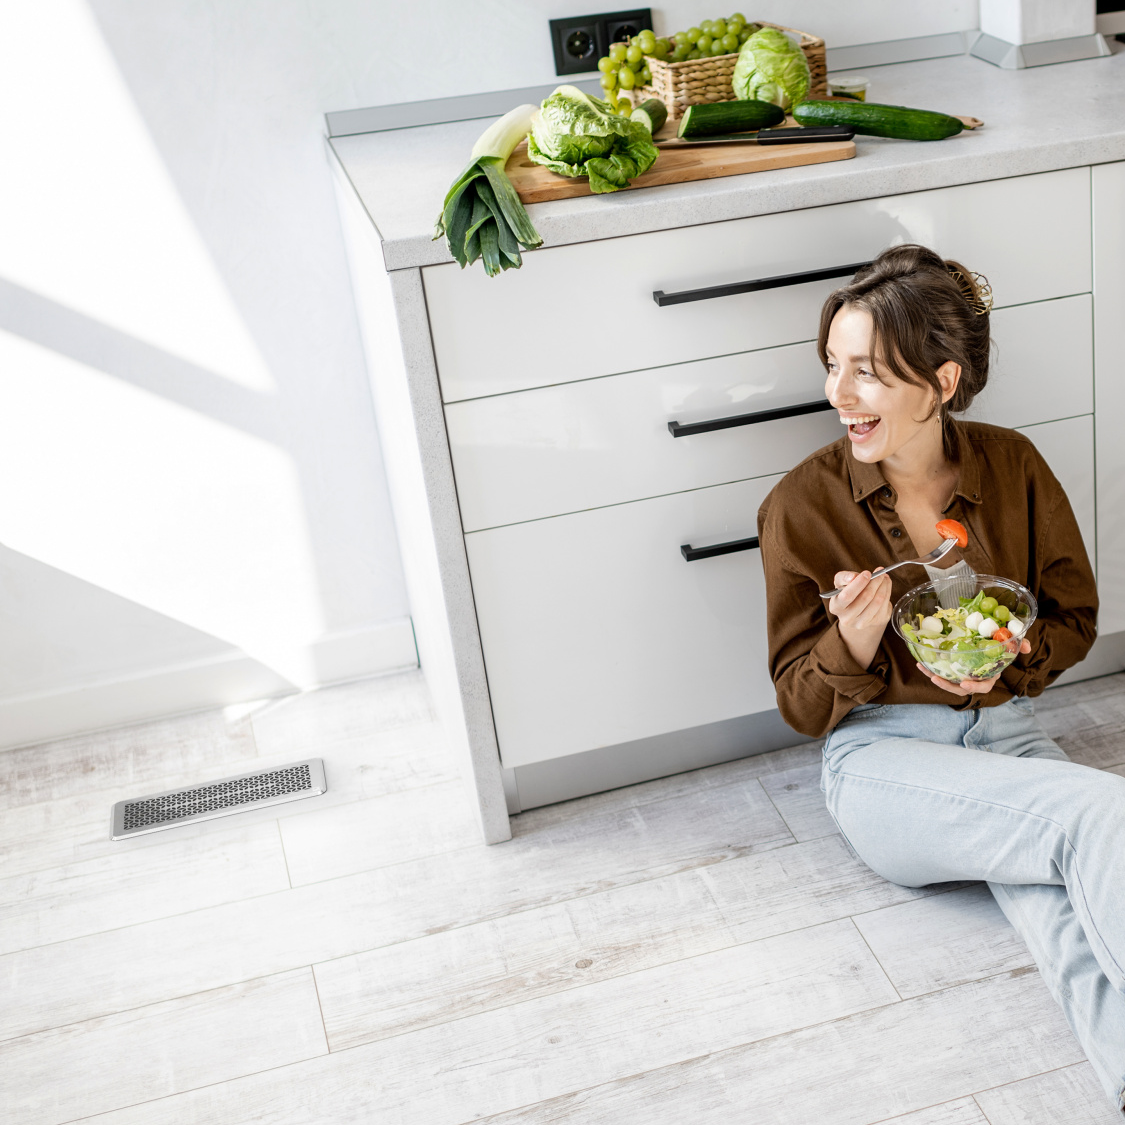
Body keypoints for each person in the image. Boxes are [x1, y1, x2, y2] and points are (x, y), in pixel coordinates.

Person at [756, 243, 1124, 1114]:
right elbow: (799, 704)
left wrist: (1015, 657)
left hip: (1007, 731)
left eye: (868, 374)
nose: (838, 395)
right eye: (833, 366)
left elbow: (1072, 616)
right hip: (883, 762)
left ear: (942, 380)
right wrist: (850, 642)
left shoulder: (1013, 466)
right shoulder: (800, 504)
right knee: (1100, 812)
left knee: (1062, 898)